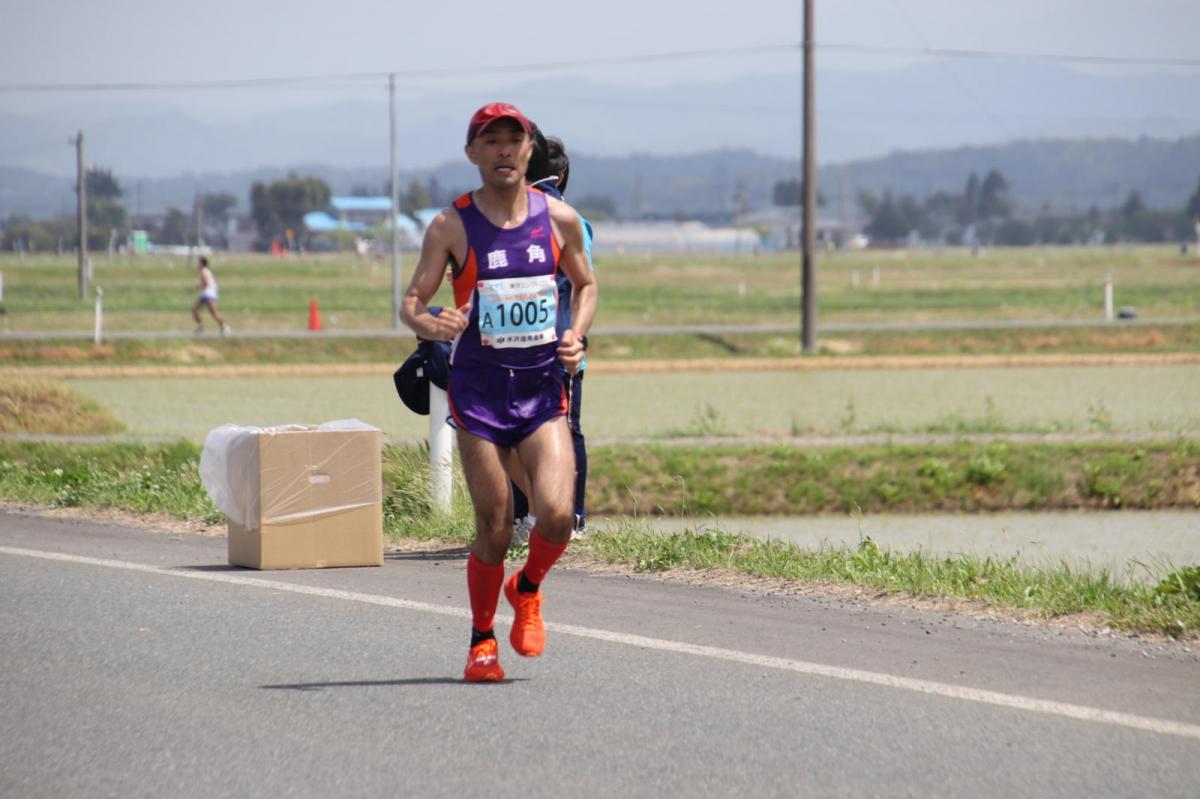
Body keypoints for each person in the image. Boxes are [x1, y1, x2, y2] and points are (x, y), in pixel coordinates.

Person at [399, 102, 596, 683]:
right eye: (492, 141)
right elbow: (412, 302)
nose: (505, 150)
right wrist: (433, 324)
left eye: (515, 140)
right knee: (495, 522)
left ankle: (527, 587)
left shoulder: (560, 220)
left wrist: (575, 335)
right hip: (480, 392)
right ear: (472, 154)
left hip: (540, 388)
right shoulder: (450, 225)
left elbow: (586, 285)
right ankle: (481, 640)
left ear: (529, 151)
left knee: (557, 516)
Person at [512, 127, 593, 543]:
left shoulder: (552, 218)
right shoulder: (567, 218)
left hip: (542, 341)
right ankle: (565, 516)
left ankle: (546, 517)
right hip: (555, 341)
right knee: (560, 429)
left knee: (531, 428)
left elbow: (584, 285)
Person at [192, 256, 230, 335]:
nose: (196, 265)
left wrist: (198, 286)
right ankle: (201, 327)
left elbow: (207, 283)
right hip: (205, 294)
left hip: (208, 294)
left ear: (201, 264)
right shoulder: (205, 271)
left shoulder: (204, 271)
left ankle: (225, 327)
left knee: (213, 313)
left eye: (198, 263)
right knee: (195, 309)